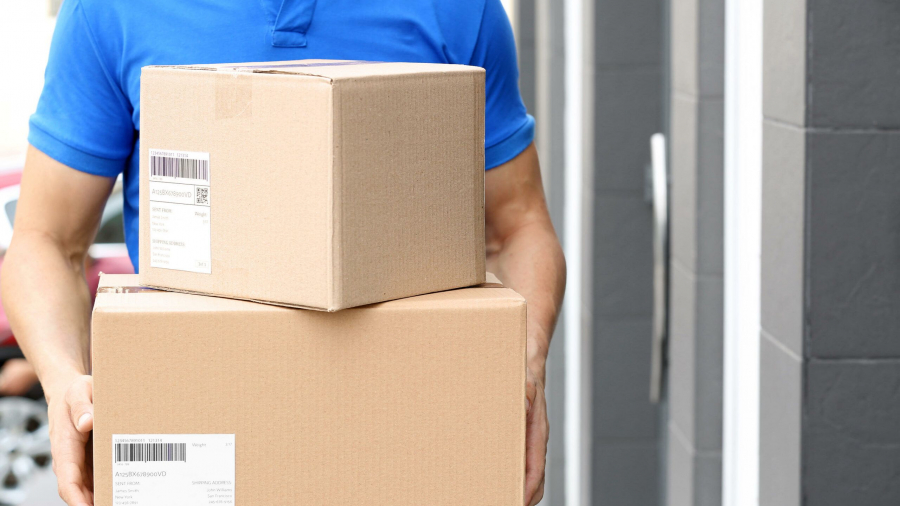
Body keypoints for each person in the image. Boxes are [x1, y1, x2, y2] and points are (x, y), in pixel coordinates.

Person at [0, 0, 566, 505]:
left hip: (406, 439)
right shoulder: (111, 10)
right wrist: (63, 380)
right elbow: (46, 242)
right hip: (198, 436)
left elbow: (518, 228)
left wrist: (524, 365)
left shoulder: (457, 9)